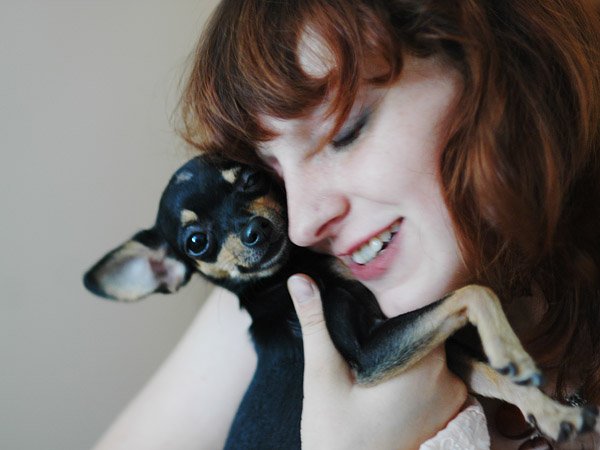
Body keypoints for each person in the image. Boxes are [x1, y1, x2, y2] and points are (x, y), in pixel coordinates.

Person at [94, 1, 600, 449]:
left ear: (499, 72)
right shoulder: (292, 295)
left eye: (344, 130)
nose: (302, 224)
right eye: (270, 172)